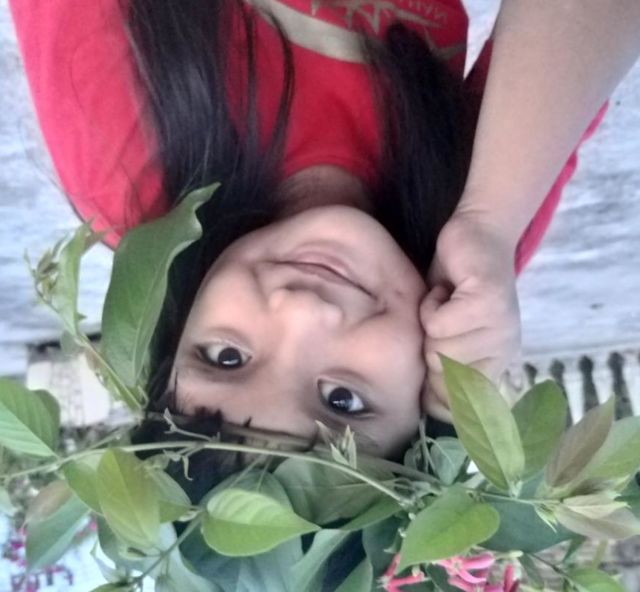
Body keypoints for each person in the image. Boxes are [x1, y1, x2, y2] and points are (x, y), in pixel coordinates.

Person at [9, 0, 640, 457]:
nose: (301, 310)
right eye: (342, 400)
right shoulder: (467, 270)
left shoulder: (129, 170)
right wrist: (491, 219)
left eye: (226, 357)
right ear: (428, 395)